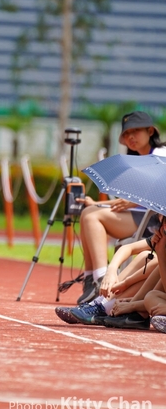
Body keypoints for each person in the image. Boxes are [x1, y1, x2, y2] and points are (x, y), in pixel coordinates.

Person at [75, 110, 166, 305]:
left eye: (135, 131)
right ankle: (92, 279)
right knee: (88, 212)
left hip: (152, 220)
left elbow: (155, 193)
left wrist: (133, 202)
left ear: (150, 131)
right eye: (126, 133)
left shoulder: (162, 154)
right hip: (138, 215)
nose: (130, 137)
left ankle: (101, 279)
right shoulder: (135, 159)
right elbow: (126, 200)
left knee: (92, 216)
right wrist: (97, 204)